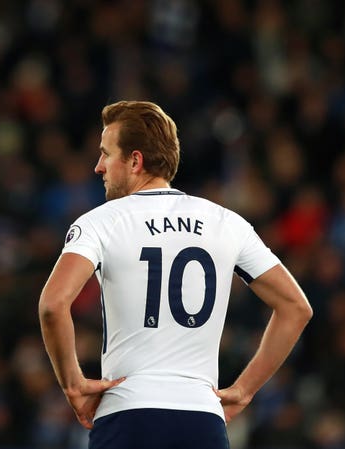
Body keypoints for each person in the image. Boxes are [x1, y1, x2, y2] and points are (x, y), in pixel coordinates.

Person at [38, 100, 313, 449]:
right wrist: (244, 390)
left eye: (106, 154)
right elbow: (296, 307)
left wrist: (72, 384)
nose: (98, 167)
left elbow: (53, 304)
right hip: (202, 419)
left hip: (128, 414)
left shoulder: (102, 221)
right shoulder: (226, 222)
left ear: (135, 161)